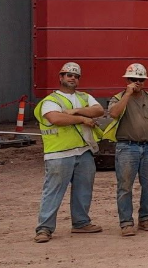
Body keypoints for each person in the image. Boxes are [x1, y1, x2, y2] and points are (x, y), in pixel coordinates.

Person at [33, 62, 104, 243]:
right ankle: (44, 228)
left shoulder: (83, 97)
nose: (72, 78)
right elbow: (55, 118)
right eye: (68, 75)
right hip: (59, 153)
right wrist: (81, 118)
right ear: (61, 77)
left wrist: (76, 110)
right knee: (53, 191)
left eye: (76, 76)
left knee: (83, 190)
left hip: (84, 151)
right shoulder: (50, 101)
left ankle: (80, 223)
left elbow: (98, 110)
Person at [106, 63, 148, 236]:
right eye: (133, 79)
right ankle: (126, 223)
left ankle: (145, 219)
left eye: (140, 79)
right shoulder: (119, 97)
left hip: (147, 147)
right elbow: (114, 114)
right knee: (125, 186)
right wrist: (128, 94)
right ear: (127, 80)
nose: (137, 82)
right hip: (127, 147)